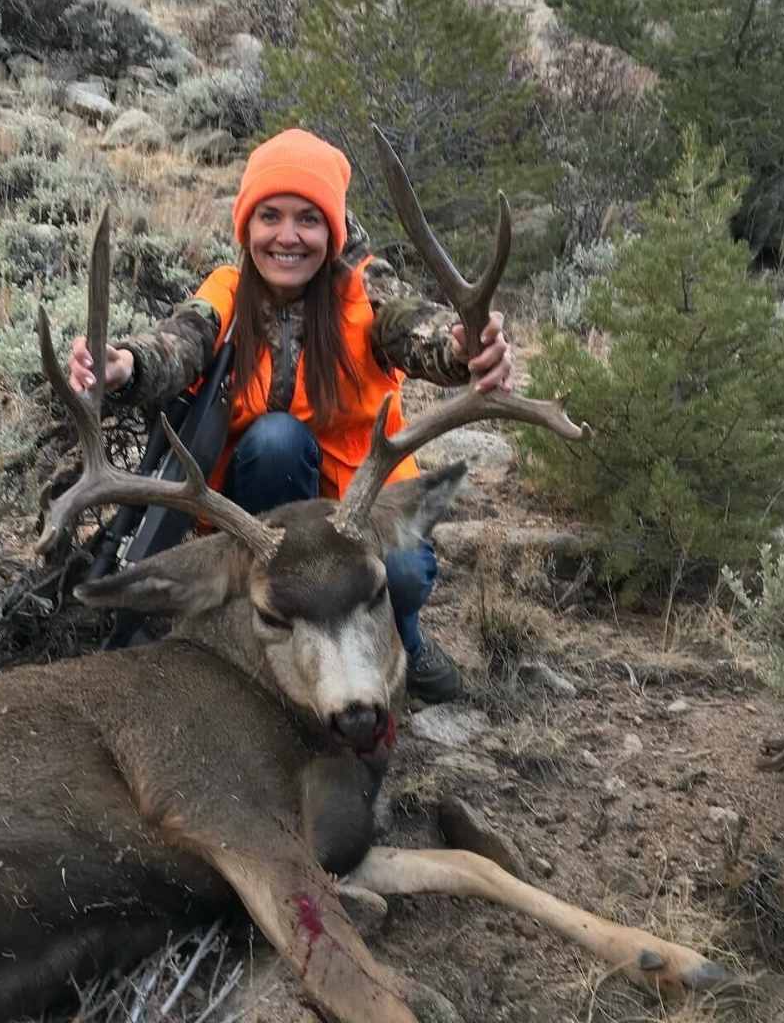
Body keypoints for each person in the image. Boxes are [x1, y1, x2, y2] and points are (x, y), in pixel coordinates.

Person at [68, 128, 513, 703]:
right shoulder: (226, 293)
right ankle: (265, 630)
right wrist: (127, 363)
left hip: (360, 510)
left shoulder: (364, 292)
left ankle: (402, 639)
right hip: (267, 523)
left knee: (400, 578)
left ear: (333, 229)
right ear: (247, 226)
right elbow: (180, 341)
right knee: (277, 441)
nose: (287, 237)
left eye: (308, 218)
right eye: (269, 216)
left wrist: (459, 349)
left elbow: (414, 330)